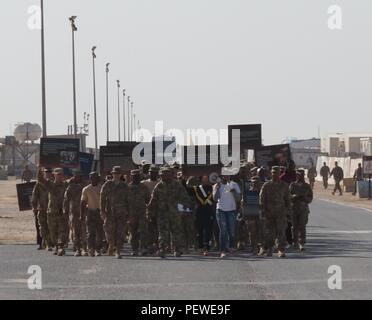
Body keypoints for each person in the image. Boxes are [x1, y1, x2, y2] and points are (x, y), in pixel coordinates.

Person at [147, 167, 191, 258]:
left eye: (166, 174)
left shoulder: (177, 185)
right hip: (162, 213)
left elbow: (185, 198)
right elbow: (153, 199)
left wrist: (184, 210)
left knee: (176, 231)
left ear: (170, 175)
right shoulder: (159, 186)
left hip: (174, 213)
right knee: (162, 232)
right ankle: (162, 249)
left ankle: (177, 249)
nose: (164, 176)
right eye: (162, 175)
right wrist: (149, 211)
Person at [259, 166, 291, 258]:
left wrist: (288, 211)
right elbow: (262, 199)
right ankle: (269, 249)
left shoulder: (284, 186)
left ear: (279, 174)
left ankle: (281, 250)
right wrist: (263, 210)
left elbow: (288, 199)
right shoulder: (266, 185)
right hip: (269, 213)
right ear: (271, 173)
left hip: (281, 213)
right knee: (270, 232)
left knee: (281, 231)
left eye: (276, 173)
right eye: (273, 173)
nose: (274, 174)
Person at [38, 168, 70, 256]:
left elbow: (77, 180)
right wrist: (39, 169)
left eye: (61, 174)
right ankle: (56, 246)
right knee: (53, 231)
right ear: (54, 175)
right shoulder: (50, 185)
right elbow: (40, 179)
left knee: (62, 230)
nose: (60, 176)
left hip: (62, 213)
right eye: (58, 174)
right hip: (51, 212)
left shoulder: (65, 185)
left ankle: (61, 247)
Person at [100, 166, 129, 259]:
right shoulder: (107, 185)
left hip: (122, 212)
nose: (116, 175)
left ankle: (118, 251)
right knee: (109, 231)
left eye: (118, 174)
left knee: (120, 231)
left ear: (121, 175)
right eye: (114, 174)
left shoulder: (124, 186)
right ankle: (111, 244)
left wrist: (129, 213)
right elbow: (102, 198)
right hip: (110, 212)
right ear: (112, 174)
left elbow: (128, 200)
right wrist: (102, 210)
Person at [213, 171, 241, 258]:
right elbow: (215, 198)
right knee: (223, 230)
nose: (227, 176)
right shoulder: (217, 185)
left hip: (231, 210)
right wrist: (217, 188)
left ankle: (231, 247)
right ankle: (223, 250)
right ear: (222, 176)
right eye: (225, 175)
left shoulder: (234, 184)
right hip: (221, 210)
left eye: (228, 175)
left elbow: (239, 198)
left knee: (231, 231)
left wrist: (234, 192)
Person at [64, 170, 87, 257]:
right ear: (74, 177)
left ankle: (84, 249)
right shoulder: (70, 187)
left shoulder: (85, 186)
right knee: (76, 231)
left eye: (80, 176)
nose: (78, 178)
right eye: (77, 176)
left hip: (84, 212)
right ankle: (77, 249)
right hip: (74, 212)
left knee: (84, 231)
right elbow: (66, 200)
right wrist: (65, 211)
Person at [127, 169, 151, 256]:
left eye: (137, 176)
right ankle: (134, 249)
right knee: (133, 232)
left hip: (142, 212)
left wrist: (149, 211)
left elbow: (148, 200)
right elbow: (124, 201)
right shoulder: (127, 188)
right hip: (131, 213)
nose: (135, 177)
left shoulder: (144, 187)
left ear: (139, 177)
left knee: (143, 231)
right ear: (131, 176)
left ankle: (143, 248)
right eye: (133, 176)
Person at [81, 172, 104, 257]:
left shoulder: (102, 188)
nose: (93, 179)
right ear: (89, 179)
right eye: (91, 178)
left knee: (100, 232)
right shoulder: (86, 189)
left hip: (99, 212)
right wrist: (82, 214)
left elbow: (105, 202)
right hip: (90, 212)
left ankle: (98, 249)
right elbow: (83, 202)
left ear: (97, 178)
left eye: (95, 177)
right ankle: (91, 248)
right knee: (90, 232)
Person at [289, 169, 313, 251]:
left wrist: (305, 198)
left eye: (302, 175)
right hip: (294, 208)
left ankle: (301, 243)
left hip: (303, 209)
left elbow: (310, 198)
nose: (300, 177)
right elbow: (288, 196)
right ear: (297, 176)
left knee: (302, 226)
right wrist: (294, 197)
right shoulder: (292, 185)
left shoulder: (307, 186)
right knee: (294, 226)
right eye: (299, 175)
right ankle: (295, 242)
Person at [241, 175, 264, 255]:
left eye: (257, 182)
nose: (255, 184)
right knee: (252, 232)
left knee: (261, 231)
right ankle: (254, 247)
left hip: (261, 214)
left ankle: (261, 247)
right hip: (250, 214)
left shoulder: (263, 191)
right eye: (254, 182)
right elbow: (243, 203)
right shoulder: (248, 192)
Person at [31, 168, 53, 251]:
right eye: (46, 172)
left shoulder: (53, 183)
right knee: (41, 227)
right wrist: (34, 207)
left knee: (51, 226)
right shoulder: (38, 184)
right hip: (41, 209)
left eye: (49, 172)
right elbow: (34, 196)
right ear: (43, 173)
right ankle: (42, 243)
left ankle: (50, 243)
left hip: (52, 209)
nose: (48, 173)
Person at [193, 175, 214, 256]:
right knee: (199, 231)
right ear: (201, 180)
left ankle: (207, 247)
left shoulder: (212, 188)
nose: (206, 180)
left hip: (209, 212)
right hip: (199, 212)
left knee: (208, 231)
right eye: (204, 179)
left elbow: (213, 199)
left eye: (207, 179)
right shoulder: (196, 188)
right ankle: (200, 247)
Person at [141, 165, 160, 253]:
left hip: (158, 208)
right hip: (147, 209)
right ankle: (148, 245)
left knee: (158, 228)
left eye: (154, 173)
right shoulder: (144, 183)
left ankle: (157, 245)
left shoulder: (160, 183)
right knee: (148, 228)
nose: (152, 174)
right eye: (151, 172)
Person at [280, 160, 297, 247]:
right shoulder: (283, 177)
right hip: (286, 203)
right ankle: (289, 240)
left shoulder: (297, 176)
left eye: (292, 166)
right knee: (287, 223)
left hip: (296, 203)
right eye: (290, 166)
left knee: (297, 223)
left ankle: (297, 240)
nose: (291, 167)